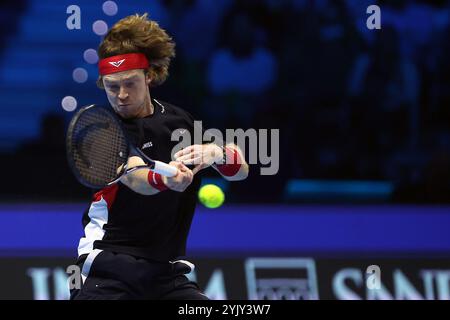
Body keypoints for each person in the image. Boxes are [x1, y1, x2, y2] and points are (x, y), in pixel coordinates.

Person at [70, 13, 249, 300]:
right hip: (105, 268)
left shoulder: (179, 121)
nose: (121, 95)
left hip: (167, 275)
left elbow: (241, 171)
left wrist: (217, 152)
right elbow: (137, 177)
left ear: (149, 76)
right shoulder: (100, 129)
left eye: (130, 83)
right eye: (112, 86)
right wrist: (169, 180)